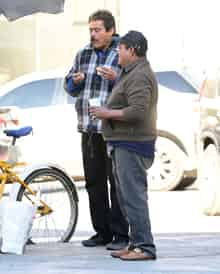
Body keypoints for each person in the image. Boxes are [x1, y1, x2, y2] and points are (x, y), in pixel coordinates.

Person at [89, 30, 158, 261]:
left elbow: (138, 111)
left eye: (121, 48)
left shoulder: (140, 75)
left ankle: (144, 247)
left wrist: (107, 112)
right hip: (123, 143)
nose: (117, 51)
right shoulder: (130, 73)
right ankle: (134, 243)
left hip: (133, 144)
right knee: (126, 197)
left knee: (134, 196)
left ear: (133, 50)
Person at [63, 10, 129, 250]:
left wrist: (115, 78)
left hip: (113, 129)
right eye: (90, 30)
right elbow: (69, 87)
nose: (93, 34)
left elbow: (132, 86)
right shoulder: (83, 54)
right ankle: (102, 232)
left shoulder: (122, 52)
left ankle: (121, 234)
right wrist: (74, 81)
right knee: (94, 182)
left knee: (117, 182)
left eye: (97, 30)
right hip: (89, 128)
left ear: (111, 30)